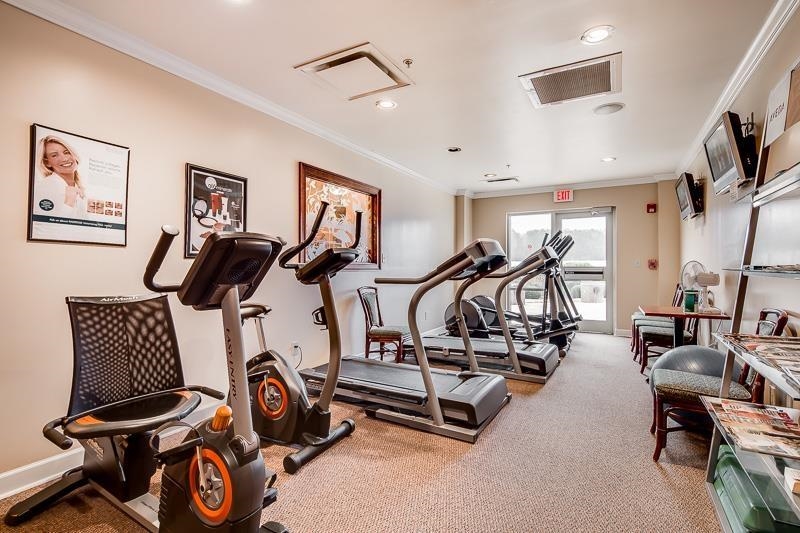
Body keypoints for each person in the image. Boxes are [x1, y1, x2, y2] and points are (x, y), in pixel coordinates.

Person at [33, 134, 87, 219]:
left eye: (66, 152)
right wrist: (69, 202)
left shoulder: (81, 188)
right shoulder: (45, 187)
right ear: (47, 162)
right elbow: (46, 226)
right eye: (54, 155)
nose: (64, 159)